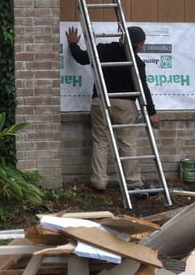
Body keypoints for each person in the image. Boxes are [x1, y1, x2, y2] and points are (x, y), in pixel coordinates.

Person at [66, 25, 159, 192]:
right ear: (137, 45)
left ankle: (99, 181)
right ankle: (133, 182)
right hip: (125, 105)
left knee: (100, 141)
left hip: (100, 102)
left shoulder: (103, 50)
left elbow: (81, 57)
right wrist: (152, 113)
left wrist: (73, 44)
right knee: (127, 143)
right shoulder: (136, 62)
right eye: (142, 44)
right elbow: (143, 89)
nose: (142, 47)